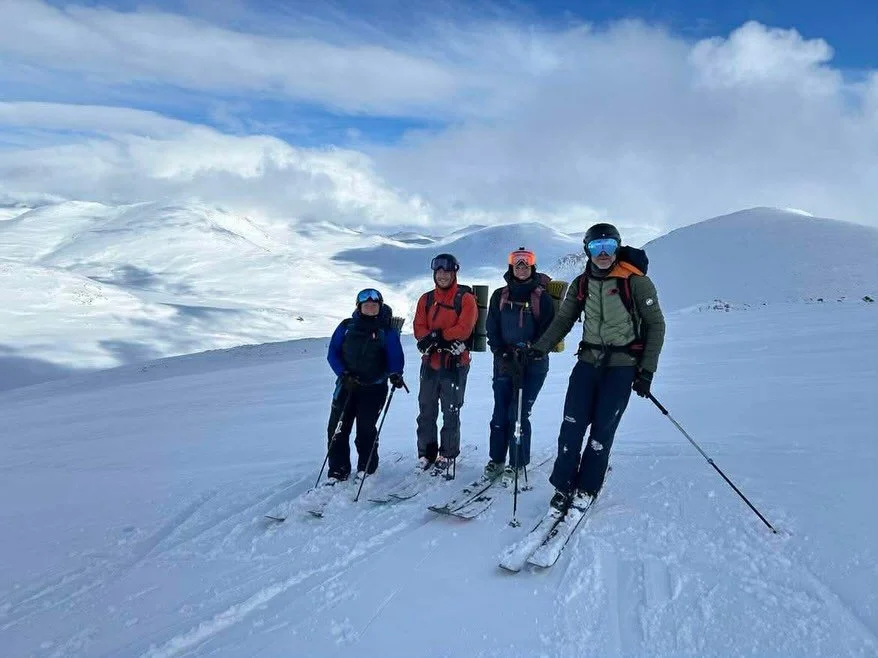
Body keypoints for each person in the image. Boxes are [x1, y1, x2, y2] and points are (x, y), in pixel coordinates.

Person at [530, 223, 665, 510]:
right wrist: (539, 348)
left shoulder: (636, 282)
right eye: (596, 247)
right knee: (571, 425)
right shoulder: (582, 284)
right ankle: (563, 484)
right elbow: (564, 320)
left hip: (622, 367)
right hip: (587, 364)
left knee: (602, 429)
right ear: (587, 250)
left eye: (608, 246)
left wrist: (647, 371)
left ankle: (587, 486)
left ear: (617, 247)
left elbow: (656, 325)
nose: (602, 253)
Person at [484, 247, 556, 486]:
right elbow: (492, 327)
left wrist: (532, 352)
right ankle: (496, 460)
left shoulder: (541, 297)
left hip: (533, 364)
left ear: (532, 267)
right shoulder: (500, 295)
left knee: (518, 412)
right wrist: (501, 352)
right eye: (518, 264)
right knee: (500, 412)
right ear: (511, 267)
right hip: (504, 361)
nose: (522, 267)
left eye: (526, 264)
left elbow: (549, 331)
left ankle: (518, 462)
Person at [326, 288, 405, 482]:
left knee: (366, 429)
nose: (370, 308)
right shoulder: (346, 326)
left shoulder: (386, 331)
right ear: (359, 307)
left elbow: (395, 355)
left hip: (374, 388)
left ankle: (367, 468)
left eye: (374, 305)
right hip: (346, 386)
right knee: (337, 429)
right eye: (366, 305)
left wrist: (395, 373)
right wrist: (343, 374)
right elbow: (333, 352)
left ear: (380, 307)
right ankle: (338, 470)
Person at [413, 253, 478, 474]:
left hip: (455, 363)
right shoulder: (426, 299)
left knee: (451, 410)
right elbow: (419, 327)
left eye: (447, 272)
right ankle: (426, 453)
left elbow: (465, 329)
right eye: (438, 272)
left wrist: (438, 336)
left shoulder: (465, 299)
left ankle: (448, 453)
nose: (442, 276)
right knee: (426, 409)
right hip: (430, 362)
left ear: (454, 273)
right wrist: (433, 338)